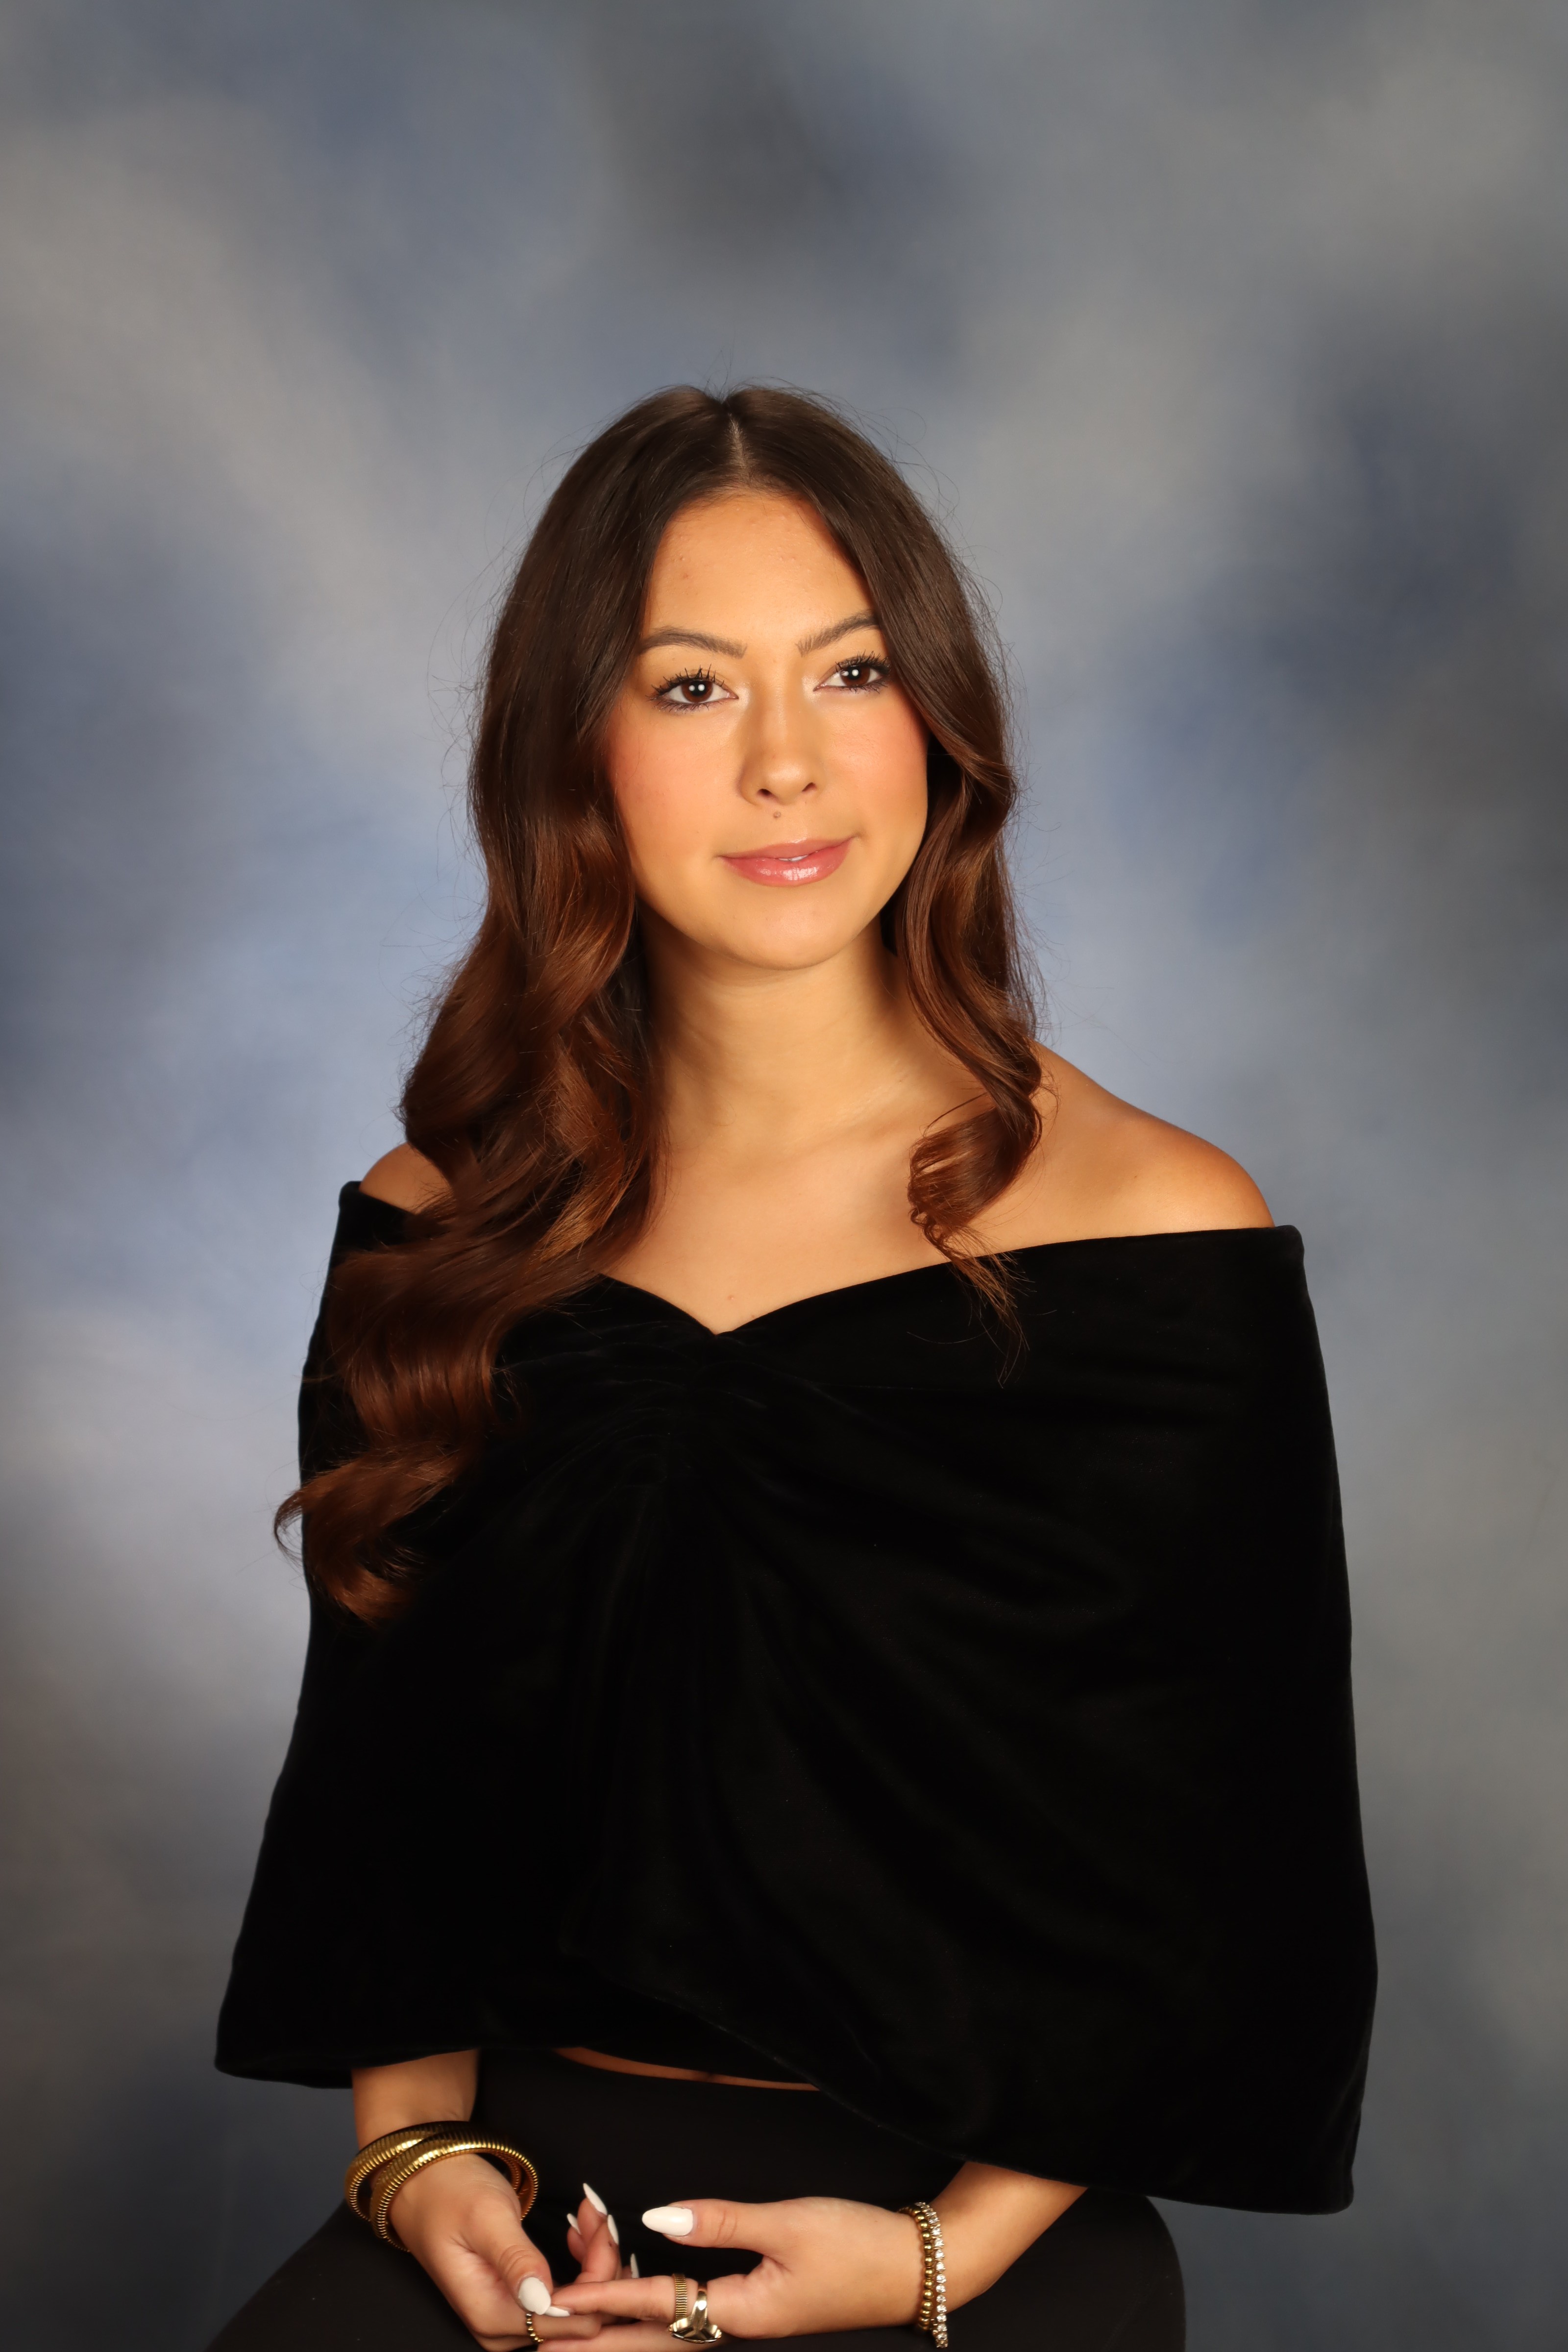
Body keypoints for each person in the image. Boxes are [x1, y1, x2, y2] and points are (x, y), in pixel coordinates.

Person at [208, 386, 1375, 2352]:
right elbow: (380, 1785)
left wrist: (939, 2253)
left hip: (974, 2216)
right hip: (523, 2195)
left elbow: (1230, 1869)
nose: (785, 762)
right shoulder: (438, 1220)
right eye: (691, 688)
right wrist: (416, 2161)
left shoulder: (1156, 1225)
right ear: (570, 750)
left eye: (850, 671)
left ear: (937, 723)